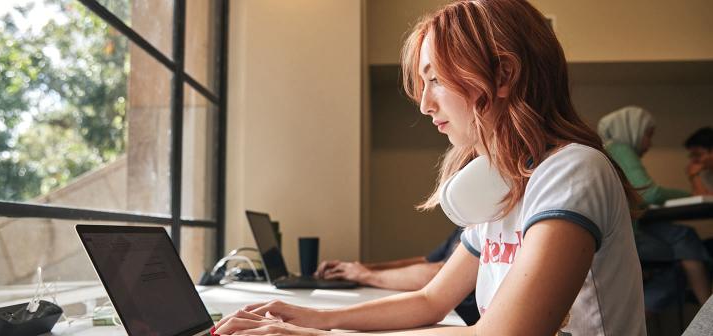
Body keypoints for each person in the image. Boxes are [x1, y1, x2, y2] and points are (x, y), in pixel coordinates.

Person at [213, 1, 646, 334]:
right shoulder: (504, 185)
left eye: (435, 79)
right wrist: (315, 318)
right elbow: (430, 300)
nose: (424, 104)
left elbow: (506, 333)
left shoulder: (573, 172)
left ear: (502, 76)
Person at [597, 106, 712, 307]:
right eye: (648, 135)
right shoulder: (619, 148)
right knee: (685, 241)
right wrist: (692, 196)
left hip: (614, 233)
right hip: (625, 236)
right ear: (632, 129)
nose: (650, 143)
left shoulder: (604, 150)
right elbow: (649, 193)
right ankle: (707, 312)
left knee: (682, 243)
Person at [314, 228, 480, 325]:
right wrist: (360, 268)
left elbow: (436, 273)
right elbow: (427, 261)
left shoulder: (482, 227)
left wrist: (367, 276)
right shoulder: (465, 227)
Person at [685, 127, 713, 196]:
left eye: (698, 155)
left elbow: (707, 199)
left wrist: (693, 176)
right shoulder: (706, 174)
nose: (694, 160)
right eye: (692, 155)